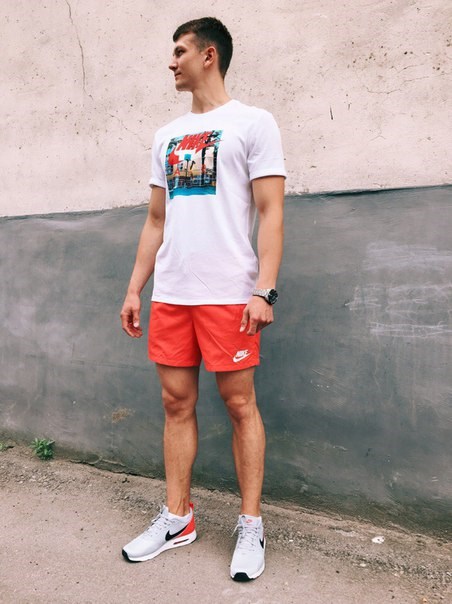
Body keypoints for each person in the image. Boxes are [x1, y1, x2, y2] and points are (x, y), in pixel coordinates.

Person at [120, 16, 285, 582]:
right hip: (173, 293)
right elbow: (155, 219)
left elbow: (271, 212)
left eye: (179, 51)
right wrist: (136, 287)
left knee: (240, 405)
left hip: (228, 294)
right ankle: (178, 517)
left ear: (208, 55)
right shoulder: (166, 135)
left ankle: (251, 524)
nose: (171, 62)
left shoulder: (253, 123)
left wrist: (263, 288)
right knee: (175, 403)